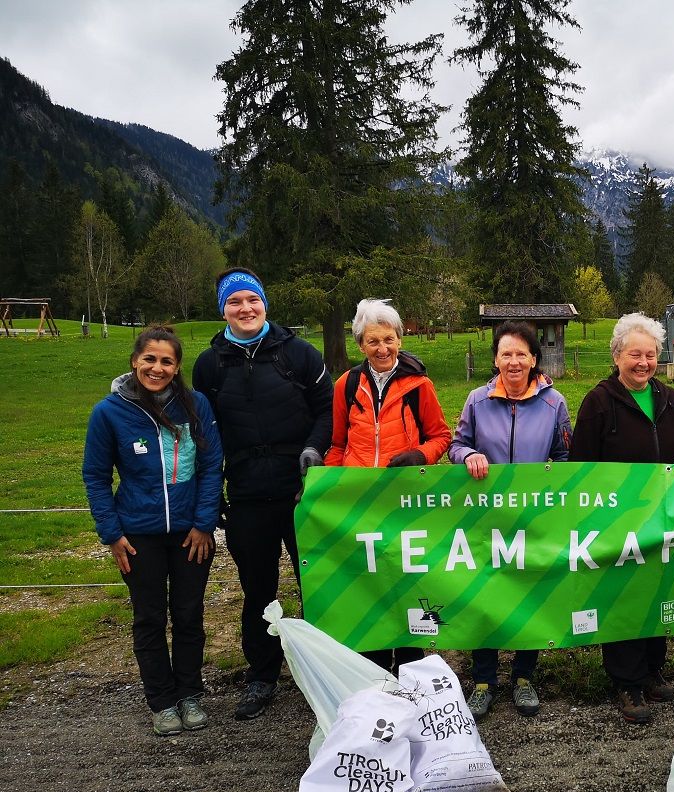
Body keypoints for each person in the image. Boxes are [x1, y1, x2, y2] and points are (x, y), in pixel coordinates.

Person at [192, 267, 333, 721]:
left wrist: (313, 450)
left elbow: (327, 410)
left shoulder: (299, 354)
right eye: (234, 302)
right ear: (223, 310)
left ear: (265, 303)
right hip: (248, 492)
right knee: (258, 591)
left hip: (303, 491)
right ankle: (262, 675)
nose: (245, 309)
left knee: (318, 585)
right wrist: (212, 497)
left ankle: (324, 669)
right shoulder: (209, 365)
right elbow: (203, 434)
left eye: (252, 300)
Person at [83, 325, 223, 736]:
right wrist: (110, 532)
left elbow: (211, 466)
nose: (157, 368)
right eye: (150, 359)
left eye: (166, 361)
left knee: (188, 614)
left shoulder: (196, 405)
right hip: (137, 534)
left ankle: (189, 694)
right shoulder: (109, 412)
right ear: (134, 361)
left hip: (189, 535)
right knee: (149, 617)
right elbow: (95, 475)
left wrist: (203, 524)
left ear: (177, 366)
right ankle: (161, 702)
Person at [570, 313, 674, 725]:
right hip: (618, 519)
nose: (643, 363)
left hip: (663, 517)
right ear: (617, 356)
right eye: (634, 355)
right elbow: (581, 466)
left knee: (657, 590)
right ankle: (626, 681)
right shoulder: (598, 401)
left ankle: (651, 667)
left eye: (650, 355)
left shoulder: (671, 399)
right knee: (624, 594)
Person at [449, 320, 573, 721]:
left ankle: (523, 676)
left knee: (529, 594)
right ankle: (483, 680)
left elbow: (566, 456)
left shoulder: (556, 403)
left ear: (534, 359)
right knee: (484, 594)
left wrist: (553, 483)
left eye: (522, 354)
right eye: (506, 354)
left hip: (533, 518)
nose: (514, 361)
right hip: (485, 517)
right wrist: (467, 456)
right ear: (496, 359)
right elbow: (456, 444)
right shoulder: (476, 400)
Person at [325, 298, 452, 674]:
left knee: (408, 582)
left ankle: (410, 670)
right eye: (373, 341)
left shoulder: (419, 385)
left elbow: (441, 436)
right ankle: (374, 672)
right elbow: (336, 444)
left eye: (390, 340)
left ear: (400, 339)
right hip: (362, 503)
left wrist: (420, 456)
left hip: (406, 503)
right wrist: (330, 486)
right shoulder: (346, 385)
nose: (383, 349)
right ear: (360, 344)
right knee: (370, 585)